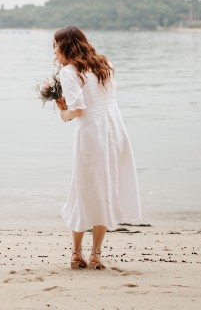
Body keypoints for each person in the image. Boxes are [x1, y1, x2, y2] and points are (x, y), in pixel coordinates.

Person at [53, 26, 141, 270]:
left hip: (91, 132)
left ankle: (76, 253)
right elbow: (108, 98)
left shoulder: (69, 71)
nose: (54, 49)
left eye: (56, 44)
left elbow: (79, 109)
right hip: (114, 129)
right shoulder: (106, 65)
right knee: (106, 186)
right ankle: (96, 254)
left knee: (83, 188)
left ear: (65, 45)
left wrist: (63, 113)